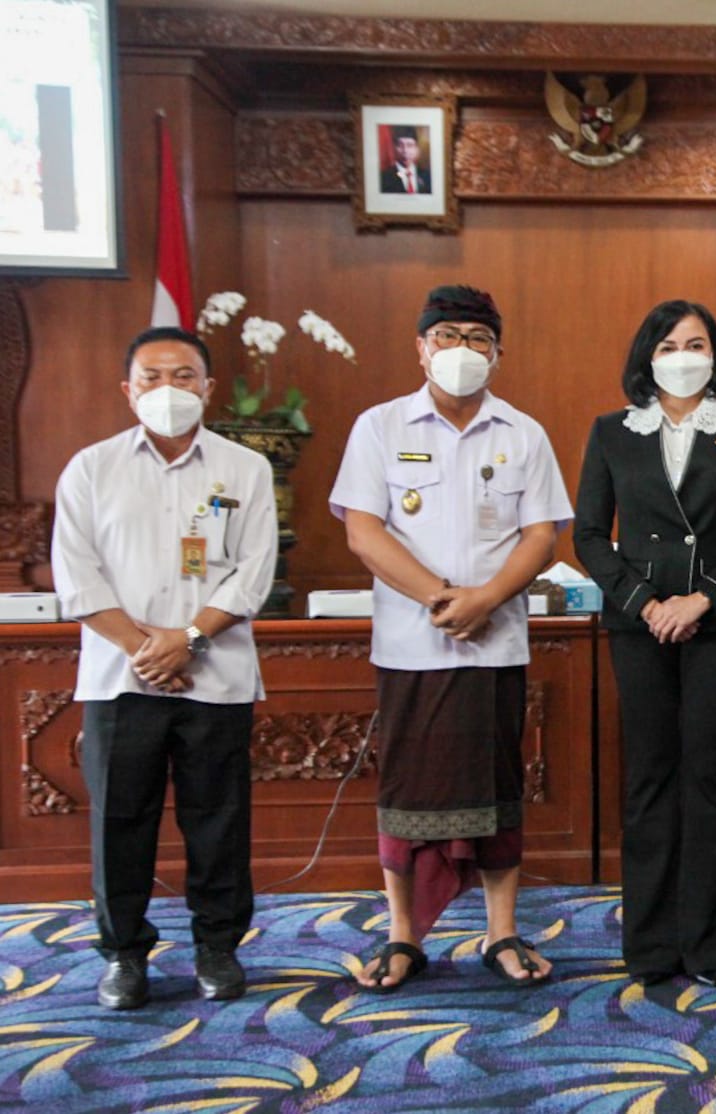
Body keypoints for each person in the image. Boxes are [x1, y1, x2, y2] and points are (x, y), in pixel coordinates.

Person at [329, 284, 573, 992]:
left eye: (477, 338)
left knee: (498, 790)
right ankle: (403, 935)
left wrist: (487, 599)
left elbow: (542, 535)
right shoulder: (380, 427)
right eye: (448, 336)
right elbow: (363, 530)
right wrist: (441, 597)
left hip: (495, 644)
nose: (462, 350)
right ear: (421, 347)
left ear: (498, 353)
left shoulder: (522, 433)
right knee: (406, 791)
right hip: (412, 644)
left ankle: (501, 931)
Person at [51, 326, 278, 1010]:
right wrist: (147, 649)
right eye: (152, 377)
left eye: (183, 376)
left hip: (217, 676)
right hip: (120, 680)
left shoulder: (246, 468)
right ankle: (124, 954)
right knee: (120, 822)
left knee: (218, 820)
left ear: (208, 388)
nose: (168, 389)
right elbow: (76, 575)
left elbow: (254, 571)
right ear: (129, 390)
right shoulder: (91, 468)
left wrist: (189, 639)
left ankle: (217, 947)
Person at [573, 300, 716, 987]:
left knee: (706, 778)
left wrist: (701, 600)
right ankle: (650, 946)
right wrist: (646, 603)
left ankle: (705, 948)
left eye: (696, 344)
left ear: (715, 356)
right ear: (647, 356)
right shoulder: (612, 432)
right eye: (668, 345)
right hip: (638, 626)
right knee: (649, 779)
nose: (683, 355)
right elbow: (588, 537)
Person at [379, 126, 430, 195]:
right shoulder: (383, 178)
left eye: (410, 145)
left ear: (417, 149)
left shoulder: (427, 176)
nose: (405, 151)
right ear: (394, 148)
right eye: (400, 145)